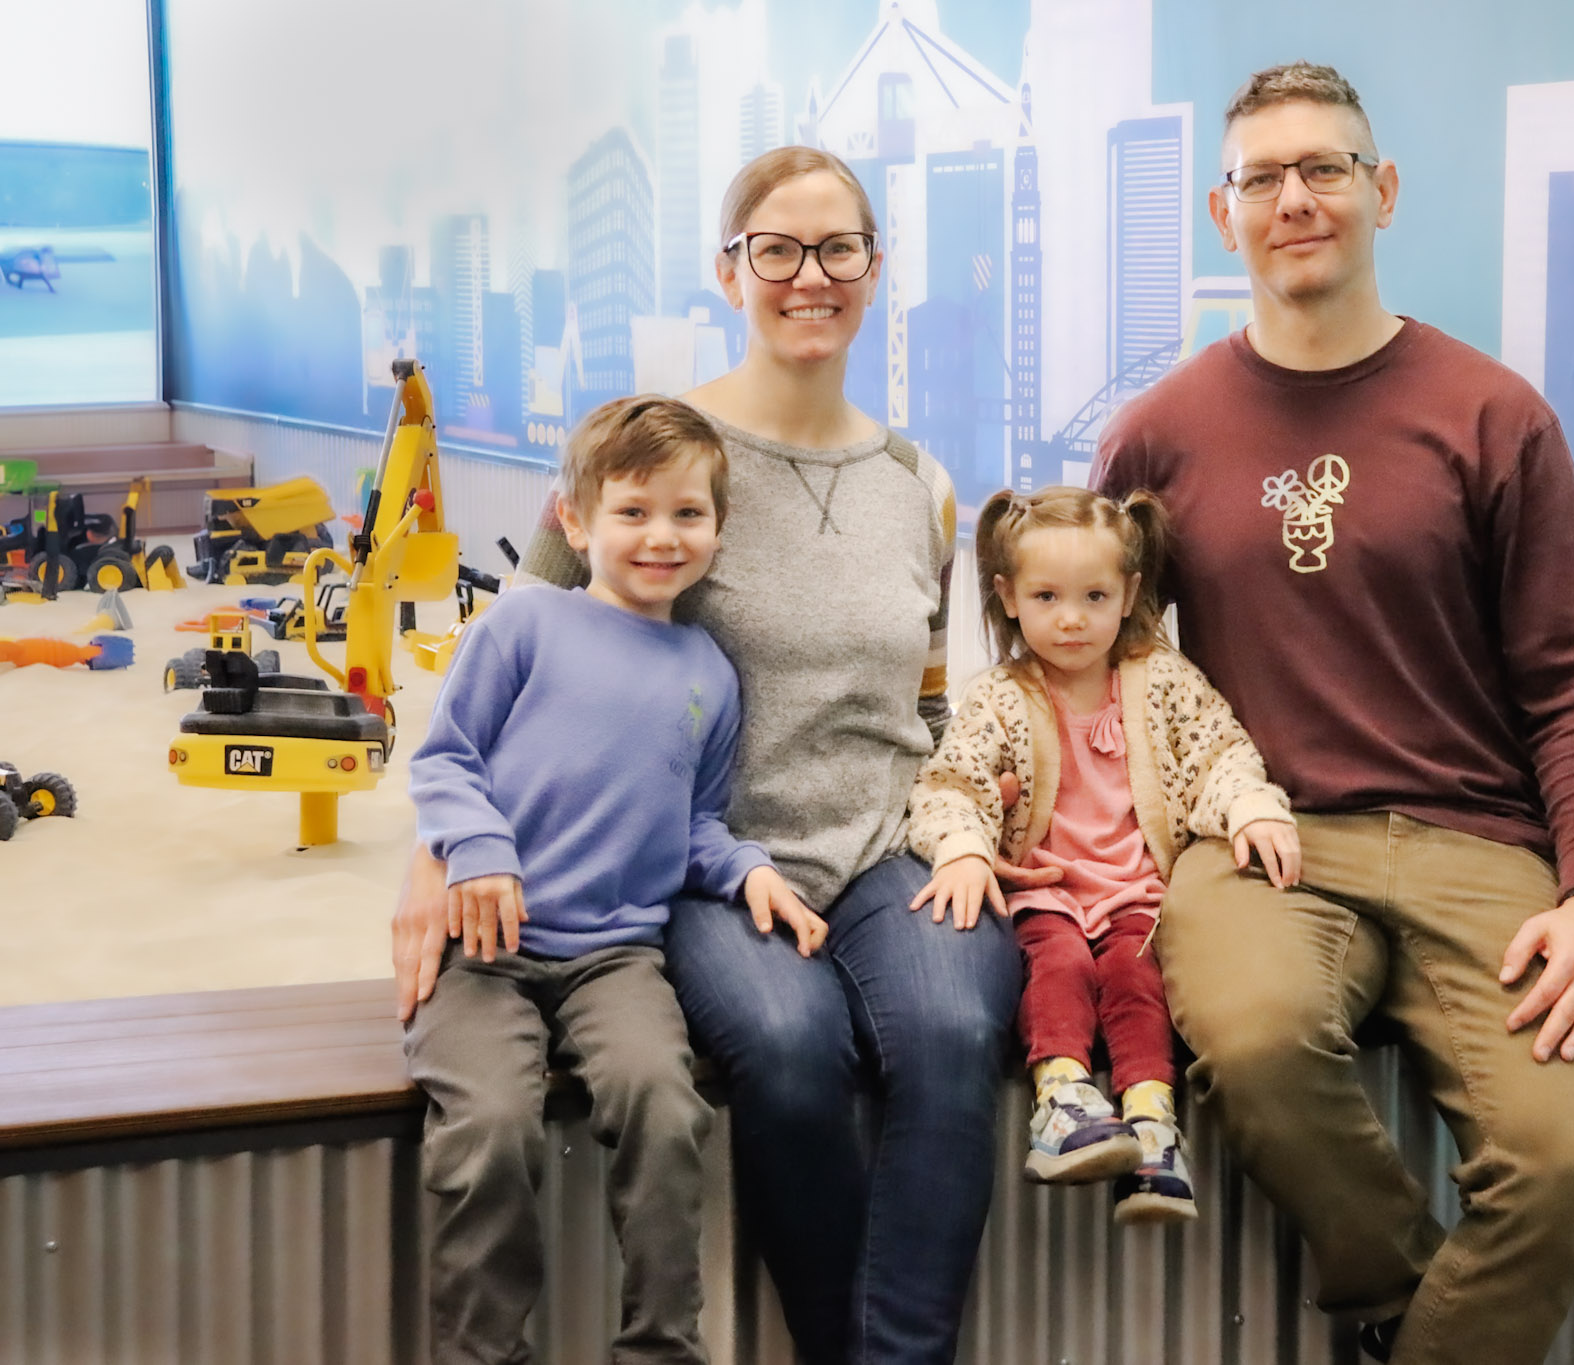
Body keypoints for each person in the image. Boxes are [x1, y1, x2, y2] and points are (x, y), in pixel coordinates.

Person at [392, 147, 1023, 1365]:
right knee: (789, 1050)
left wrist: (972, 828)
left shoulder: (920, 485)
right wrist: (438, 855)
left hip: (886, 849)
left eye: (837, 248)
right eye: (775, 249)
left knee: (954, 1037)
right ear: (728, 270)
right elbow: (511, 677)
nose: (808, 275)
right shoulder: (653, 460)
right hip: (707, 862)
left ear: (875, 268)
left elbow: (933, 708)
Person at [1093, 62, 1574, 1365]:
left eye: (1324, 168)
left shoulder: (1491, 415)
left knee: (1562, 1163)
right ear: (1223, 214)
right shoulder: (1156, 436)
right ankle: (1402, 1303)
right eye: (1262, 177)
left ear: (1381, 190)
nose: (1295, 199)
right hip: (1262, 840)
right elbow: (1099, 676)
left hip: (1477, 846)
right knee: (1258, 1043)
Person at [405, 396, 824, 1365]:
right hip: (483, 953)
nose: (661, 536)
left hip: (616, 959)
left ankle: (660, 1347)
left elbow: (697, 824)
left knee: (666, 1111)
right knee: (491, 1128)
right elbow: (443, 760)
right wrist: (479, 849)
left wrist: (749, 872)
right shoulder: (523, 625)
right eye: (632, 511)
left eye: (687, 513)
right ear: (574, 520)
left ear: (718, 526)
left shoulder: (709, 673)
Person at [907, 486, 1297, 1226]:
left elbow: (1219, 754)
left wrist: (1250, 807)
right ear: (1008, 596)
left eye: (1094, 596)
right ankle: (1062, 1098)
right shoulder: (999, 697)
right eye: (1046, 596)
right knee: (1057, 966)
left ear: (1130, 594)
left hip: (1137, 893)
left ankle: (1152, 1123)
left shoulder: (1163, 681)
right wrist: (963, 849)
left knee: (1135, 978)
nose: (1072, 618)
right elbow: (951, 783)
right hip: (1047, 889)